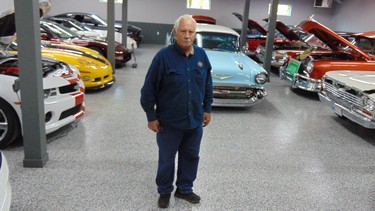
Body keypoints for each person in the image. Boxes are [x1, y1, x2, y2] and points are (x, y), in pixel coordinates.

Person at [140, 14, 213, 209]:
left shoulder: (201, 56)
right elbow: (148, 90)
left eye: (191, 31)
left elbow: (207, 84)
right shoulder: (163, 57)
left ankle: (184, 189)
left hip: (194, 122)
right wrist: (151, 116)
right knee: (166, 160)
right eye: (183, 31)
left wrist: (207, 108)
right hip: (168, 124)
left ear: (195, 33)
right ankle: (164, 191)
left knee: (191, 157)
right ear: (175, 32)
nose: (187, 35)